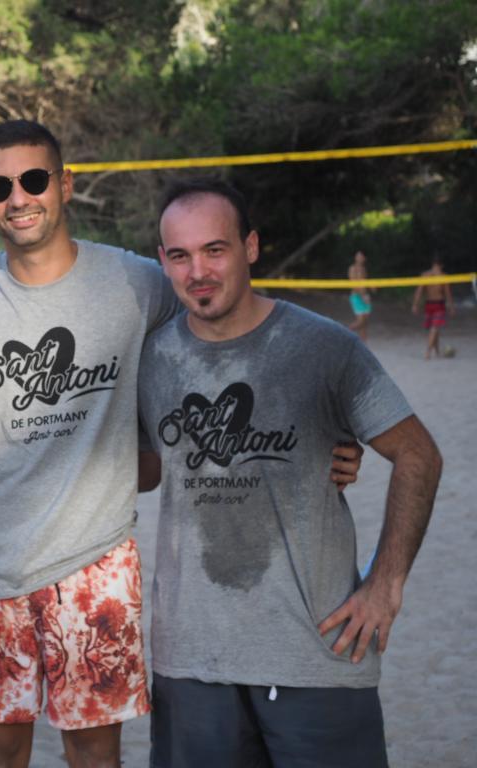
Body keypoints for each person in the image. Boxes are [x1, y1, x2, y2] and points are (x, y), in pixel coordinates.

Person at [138, 178, 441, 768]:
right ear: (163, 262)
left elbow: (418, 454)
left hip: (317, 655)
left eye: (215, 250)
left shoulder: (324, 348)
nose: (198, 270)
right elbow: (144, 471)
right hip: (193, 660)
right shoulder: (151, 358)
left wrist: (386, 582)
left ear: (250, 247)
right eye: (180, 255)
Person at [0, 119, 179, 767]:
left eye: (34, 179)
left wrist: (316, 443)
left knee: (94, 754)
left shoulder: (136, 283)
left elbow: (218, 334)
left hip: (96, 564)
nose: (18, 197)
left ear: (64, 184)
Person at [411, 257, 455, 359]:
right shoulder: (443, 276)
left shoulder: (425, 275)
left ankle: (436, 351)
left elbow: (419, 292)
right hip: (438, 304)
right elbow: (448, 294)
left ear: (433, 264)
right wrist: (451, 307)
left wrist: (415, 304)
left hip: (429, 304)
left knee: (435, 329)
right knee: (434, 329)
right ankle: (428, 352)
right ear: (442, 265)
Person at [348, 250, 373, 341]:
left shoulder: (364, 269)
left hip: (365, 296)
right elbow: (353, 285)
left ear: (364, 259)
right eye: (357, 256)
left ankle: (363, 344)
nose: (359, 258)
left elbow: (364, 283)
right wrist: (362, 295)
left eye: (361, 256)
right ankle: (344, 332)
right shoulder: (352, 268)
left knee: (365, 323)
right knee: (360, 322)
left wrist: (371, 287)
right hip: (357, 297)